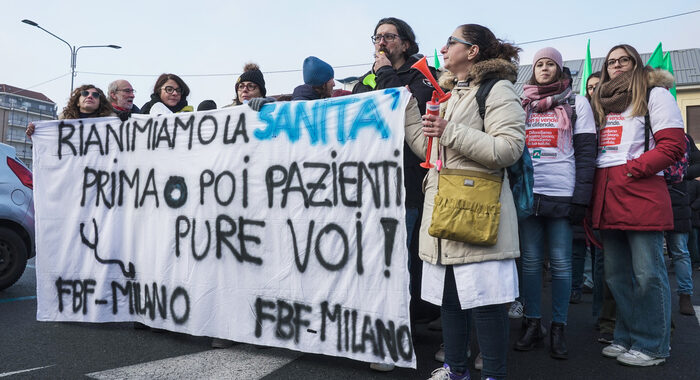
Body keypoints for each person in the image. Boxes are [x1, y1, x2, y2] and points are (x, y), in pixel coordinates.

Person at [404, 23, 525, 380]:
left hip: (478, 211)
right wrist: (409, 109)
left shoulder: (498, 89)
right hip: (445, 211)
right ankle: (455, 370)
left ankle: (494, 374)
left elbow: (508, 149)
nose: (443, 48)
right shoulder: (450, 94)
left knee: (486, 304)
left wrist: (450, 131)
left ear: (472, 51)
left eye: (450, 42)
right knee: (450, 301)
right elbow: (427, 149)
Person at [590, 44, 686, 367]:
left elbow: (673, 144)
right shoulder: (600, 100)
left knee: (648, 275)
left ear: (635, 62)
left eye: (624, 60)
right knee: (616, 275)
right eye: (611, 62)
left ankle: (654, 345)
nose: (617, 66)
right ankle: (626, 337)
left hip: (639, 191)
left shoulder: (655, 95)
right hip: (608, 194)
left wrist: (636, 168)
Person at [352, 17, 437, 372]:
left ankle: (397, 333)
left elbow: (404, 111)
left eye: (389, 36)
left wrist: (385, 72)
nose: (382, 41)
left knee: (401, 263)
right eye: (378, 37)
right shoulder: (364, 80)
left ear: (405, 42)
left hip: (406, 187)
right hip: (369, 188)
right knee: (376, 262)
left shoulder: (423, 76)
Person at [514, 48, 597, 360]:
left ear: (561, 70)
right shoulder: (522, 103)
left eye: (550, 64)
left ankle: (559, 326)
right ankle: (533, 323)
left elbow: (587, 153)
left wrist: (581, 199)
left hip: (562, 192)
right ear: (533, 71)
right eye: (539, 64)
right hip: (527, 192)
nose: (544, 68)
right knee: (531, 263)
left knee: (562, 265)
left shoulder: (577, 102)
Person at [26, 84, 115, 137]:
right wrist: (35, 134)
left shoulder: (111, 126)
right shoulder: (60, 125)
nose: (90, 96)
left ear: (100, 103)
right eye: (85, 93)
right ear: (77, 102)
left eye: (95, 95)